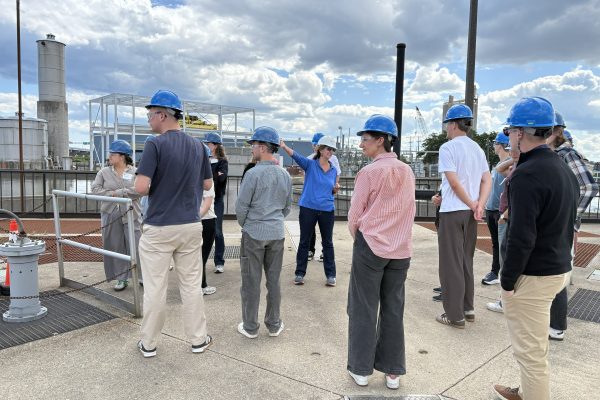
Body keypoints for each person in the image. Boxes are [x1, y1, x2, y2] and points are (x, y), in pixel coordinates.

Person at [494, 97, 578, 400]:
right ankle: (527, 391)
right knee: (534, 344)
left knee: (530, 353)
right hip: (557, 267)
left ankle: (533, 393)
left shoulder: (526, 175)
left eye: (509, 131)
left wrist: (507, 280)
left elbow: (521, 236)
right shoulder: (562, 169)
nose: (508, 137)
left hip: (534, 273)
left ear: (519, 133)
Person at [134, 89, 213, 358]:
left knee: (156, 287)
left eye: (150, 114)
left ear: (162, 114)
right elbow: (207, 184)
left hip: (160, 226)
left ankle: (149, 344)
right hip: (190, 224)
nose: (148, 120)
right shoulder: (199, 147)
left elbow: (142, 187)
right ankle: (198, 340)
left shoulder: (154, 145)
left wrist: (160, 182)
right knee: (191, 285)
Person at [346, 115, 415, 390]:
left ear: (381, 140)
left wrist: (360, 236)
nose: (362, 144)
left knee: (363, 307)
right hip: (400, 248)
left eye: (365, 139)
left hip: (371, 245)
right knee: (393, 309)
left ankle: (361, 370)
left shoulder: (369, 172)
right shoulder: (407, 171)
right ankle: (393, 372)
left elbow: (354, 214)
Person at [435, 104, 491, 328]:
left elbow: (454, 182)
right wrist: (479, 206)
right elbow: (487, 180)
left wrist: (471, 202)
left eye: (447, 124)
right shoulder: (477, 148)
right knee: (466, 259)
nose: (446, 129)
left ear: (453, 124)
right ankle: (468, 308)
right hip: (470, 214)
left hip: (452, 211)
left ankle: (454, 315)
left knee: (451, 264)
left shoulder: (448, 148)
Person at [545, 111, 598, 341]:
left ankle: (557, 325)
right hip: (558, 225)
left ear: (557, 132)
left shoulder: (566, 154)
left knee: (558, 274)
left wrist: (569, 214)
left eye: (548, 130)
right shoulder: (556, 154)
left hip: (562, 226)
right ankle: (553, 323)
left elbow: (589, 187)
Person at [235, 126, 292, 339]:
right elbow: (287, 206)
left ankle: (250, 326)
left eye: (253, 146)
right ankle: (274, 324)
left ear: (262, 147)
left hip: (254, 233)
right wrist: (274, 218)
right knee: (274, 281)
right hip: (276, 231)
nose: (252, 149)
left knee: (251, 281)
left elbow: (241, 207)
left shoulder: (252, 173)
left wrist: (247, 224)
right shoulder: (284, 174)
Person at [280, 135, 339, 287]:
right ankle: (300, 273)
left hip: (327, 210)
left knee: (328, 243)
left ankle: (331, 275)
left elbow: (331, 190)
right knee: (304, 241)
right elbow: (296, 155)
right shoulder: (310, 164)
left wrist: (334, 190)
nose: (330, 151)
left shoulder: (333, 170)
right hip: (308, 209)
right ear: (320, 149)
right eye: (328, 148)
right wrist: (284, 146)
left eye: (332, 149)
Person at [91, 139, 142, 291]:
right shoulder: (104, 172)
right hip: (110, 213)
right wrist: (115, 195)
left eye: (112, 154)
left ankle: (142, 276)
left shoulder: (135, 172)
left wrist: (117, 193)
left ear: (122, 156)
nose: (109, 157)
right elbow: (95, 190)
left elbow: (141, 189)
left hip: (132, 213)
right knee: (115, 245)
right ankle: (121, 278)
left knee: (138, 245)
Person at [481, 132, 511, 285]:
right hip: (491, 209)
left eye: (495, 143)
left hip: (501, 212)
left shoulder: (509, 164)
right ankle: (495, 271)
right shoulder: (498, 165)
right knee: (496, 243)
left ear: (501, 145)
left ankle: (500, 274)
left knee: (502, 244)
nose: (493, 146)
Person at [307, 132, 341, 261]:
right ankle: (318, 251)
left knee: (318, 228)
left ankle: (313, 251)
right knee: (320, 228)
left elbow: (336, 174)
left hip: (322, 198)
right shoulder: (310, 158)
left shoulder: (332, 158)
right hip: (321, 198)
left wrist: (334, 186)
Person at [203, 132, 229, 274]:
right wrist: (214, 175)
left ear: (215, 145)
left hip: (216, 199)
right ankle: (202, 260)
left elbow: (220, 179)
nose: (206, 146)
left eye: (208, 143)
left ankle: (219, 261)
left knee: (217, 231)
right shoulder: (202, 160)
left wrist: (211, 177)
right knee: (203, 231)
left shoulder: (222, 161)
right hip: (202, 199)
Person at [198, 142, 217, 296]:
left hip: (190, 220)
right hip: (206, 220)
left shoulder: (185, 173)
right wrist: (196, 217)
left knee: (194, 257)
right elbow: (207, 202)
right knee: (202, 256)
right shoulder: (206, 176)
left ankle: (198, 285)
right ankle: (201, 286)